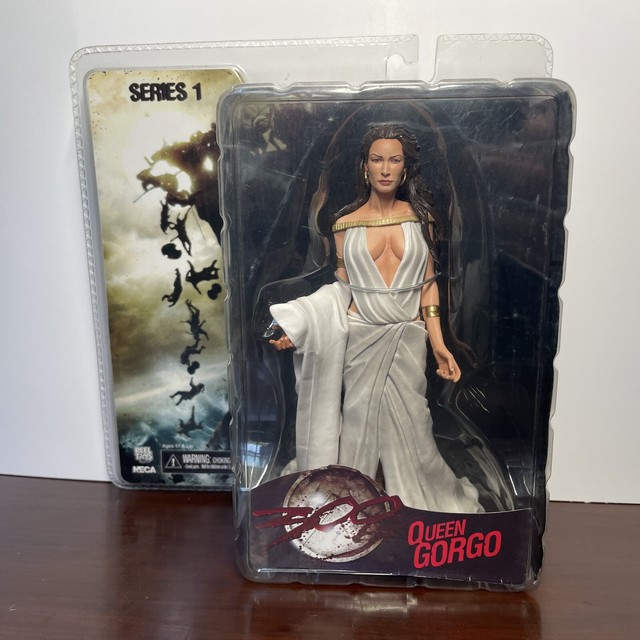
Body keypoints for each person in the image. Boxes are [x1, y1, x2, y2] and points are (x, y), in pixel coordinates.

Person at [269, 123, 482, 513]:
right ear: (364, 166)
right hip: (362, 337)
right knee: (358, 424)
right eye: (377, 159)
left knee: (415, 426)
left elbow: (428, 286)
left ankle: (416, 501)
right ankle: (358, 499)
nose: (385, 169)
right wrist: (298, 326)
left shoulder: (420, 218)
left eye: (394, 160)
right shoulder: (344, 224)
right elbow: (340, 291)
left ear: (405, 168)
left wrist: (439, 344)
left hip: (407, 338)